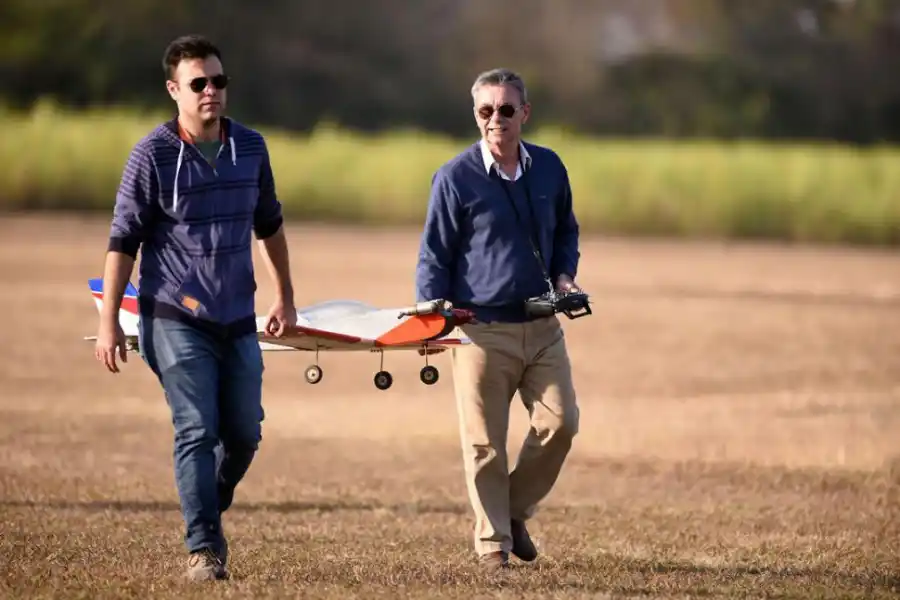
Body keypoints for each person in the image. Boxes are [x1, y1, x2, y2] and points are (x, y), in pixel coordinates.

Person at [93, 34, 297, 582]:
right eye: (199, 83)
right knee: (196, 428)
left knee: (245, 432)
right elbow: (122, 242)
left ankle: (207, 501)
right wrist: (109, 321)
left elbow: (269, 225)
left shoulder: (251, 147)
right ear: (173, 90)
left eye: (219, 81)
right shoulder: (152, 154)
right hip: (173, 315)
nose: (211, 91)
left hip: (237, 317)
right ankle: (204, 548)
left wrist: (286, 295)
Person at [415, 68, 582, 570]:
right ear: (475, 114)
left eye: (506, 109)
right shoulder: (454, 177)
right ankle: (493, 545)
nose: (496, 119)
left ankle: (510, 512)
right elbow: (433, 255)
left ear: (524, 114)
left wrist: (567, 278)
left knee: (562, 423)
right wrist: (431, 314)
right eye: (486, 110)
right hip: (479, 330)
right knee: (485, 444)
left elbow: (567, 232)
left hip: (544, 325)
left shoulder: (550, 168)